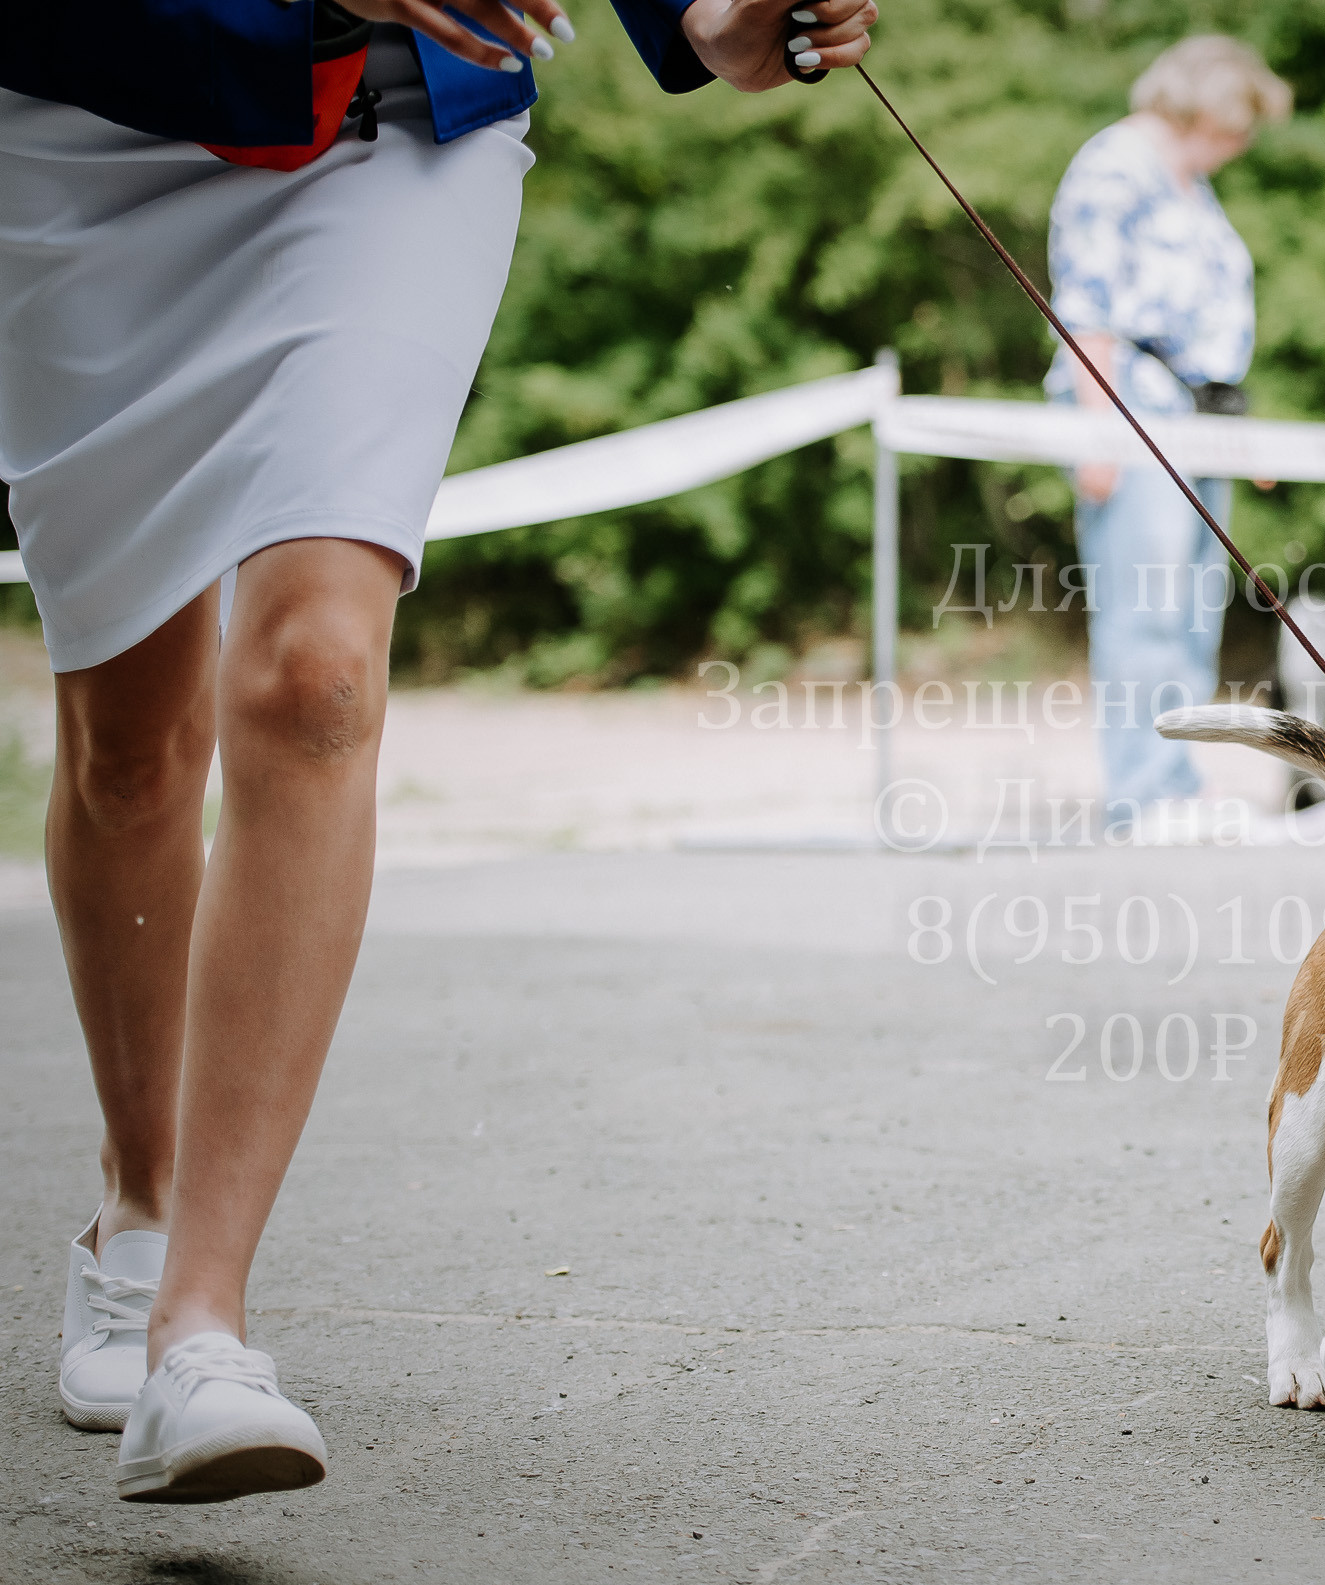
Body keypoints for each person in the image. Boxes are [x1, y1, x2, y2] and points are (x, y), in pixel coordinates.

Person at [4, 0, 879, 1503]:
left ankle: (199, 1328)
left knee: (316, 672)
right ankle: (134, 1215)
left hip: (403, 137)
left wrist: (701, 12)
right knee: (131, 745)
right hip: (95, 122)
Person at [1049, 35, 1292, 844]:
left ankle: (1179, 783)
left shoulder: (1189, 184)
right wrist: (1098, 431)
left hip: (1196, 420)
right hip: (1133, 408)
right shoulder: (1114, 166)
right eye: (1242, 122)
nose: (1246, 142)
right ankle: (1142, 791)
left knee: (1192, 612)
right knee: (1143, 611)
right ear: (1210, 108)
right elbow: (1087, 306)